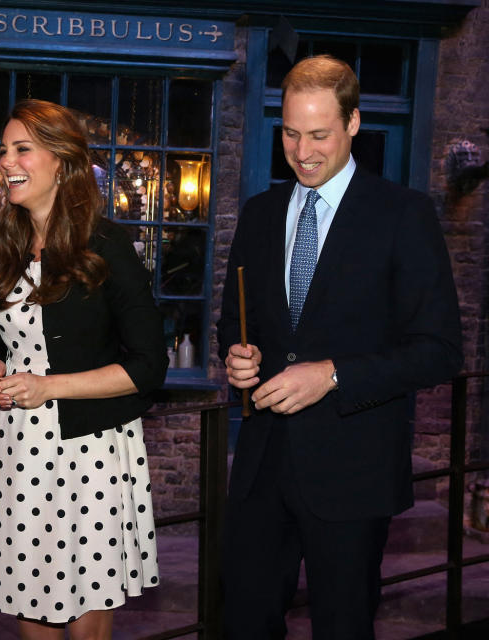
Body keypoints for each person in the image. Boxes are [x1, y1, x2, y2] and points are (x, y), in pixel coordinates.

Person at [217, 55, 462, 639]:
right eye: (291, 134)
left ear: (353, 123)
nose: (303, 151)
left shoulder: (404, 215)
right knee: (242, 625)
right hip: (260, 468)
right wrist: (237, 355)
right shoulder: (258, 213)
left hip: (354, 473)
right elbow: (233, 321)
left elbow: (439, 350)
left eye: (320, 134)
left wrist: (332, 375)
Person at [0, 99, 169, 640]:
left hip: (92, 454)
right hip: (18, 452)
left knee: (86, 621)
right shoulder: (2, 243)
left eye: (22, 150)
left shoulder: (105, 244)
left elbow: (149, 366)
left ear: (61, 163)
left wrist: (47, 387)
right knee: (26, 607)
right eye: (4, 150)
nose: (6, 161)